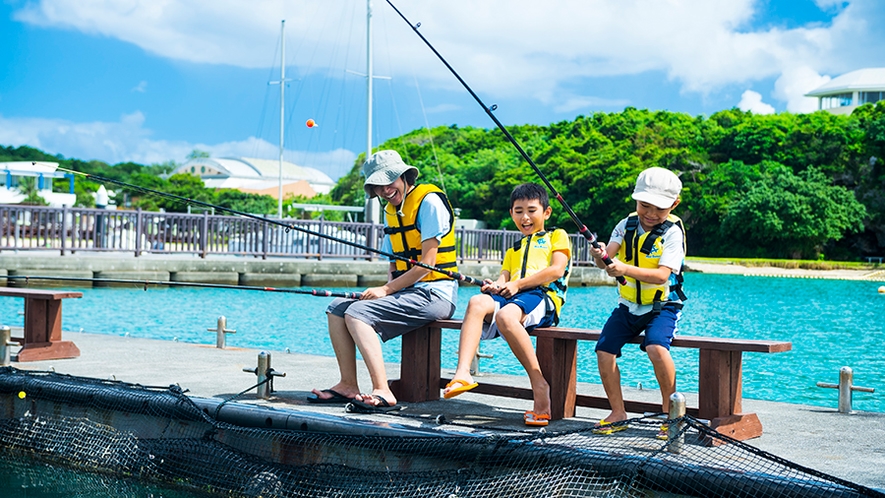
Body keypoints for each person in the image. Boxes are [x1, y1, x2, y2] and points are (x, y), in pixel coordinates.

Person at [308, 150, 459, 412]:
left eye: (389, 182)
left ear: (403, 176)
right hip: (406, 293)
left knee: (357, 313)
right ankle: (348, 385)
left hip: (436, 294)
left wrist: (386, 290)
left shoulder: (429, 201)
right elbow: (394, 264)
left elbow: (428, 265)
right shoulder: (392, 211)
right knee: (337, 308)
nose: (385, 190)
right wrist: (386, 291)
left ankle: (383, 391)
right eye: (377, 186)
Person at [442, 183, 571, 427]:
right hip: (516, 296)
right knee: (477, 302)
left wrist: (517, 284)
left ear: (547, 212)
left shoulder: (557, 235)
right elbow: (505, 279)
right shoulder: (514, 247)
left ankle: (539, 385)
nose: (525, 217)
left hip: (543, 297)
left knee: (507, 316)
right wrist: (495, 286)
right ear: (511, 213)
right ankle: (462, 373)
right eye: (518, 211)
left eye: (532, 210)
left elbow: (556, 270)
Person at [589, 167, 687, 440]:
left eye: (660, 208)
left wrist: (623, 268)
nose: (651, 213)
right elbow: (606, 259)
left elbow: (661, 276)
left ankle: (673, 415)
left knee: (656, 347)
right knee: (604, 351)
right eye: (645, 205)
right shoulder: (625, 224)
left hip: (662, 306)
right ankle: (618, 413)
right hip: (628, 305)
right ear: (636, 200)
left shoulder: (672, 233)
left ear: (674, 204)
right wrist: (599, 255)